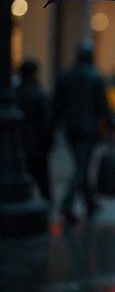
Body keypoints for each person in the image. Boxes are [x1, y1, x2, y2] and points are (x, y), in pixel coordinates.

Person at [54, 44, 114, 222]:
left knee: (82, 164)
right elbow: (103, 105)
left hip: (71, 129)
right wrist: (111, 125)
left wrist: (54, 126)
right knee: (81, 167)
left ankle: (89, 202)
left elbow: (57, 103)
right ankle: (67, 203)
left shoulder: (65, 76)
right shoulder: (95, 76)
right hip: (88, 130)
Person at [15, 60, 53, 202]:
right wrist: (48, 143)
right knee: (42, 179)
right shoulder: (38, 94)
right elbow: (46, 123)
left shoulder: (17, 93)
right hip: (36, 145)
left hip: (21, 145)